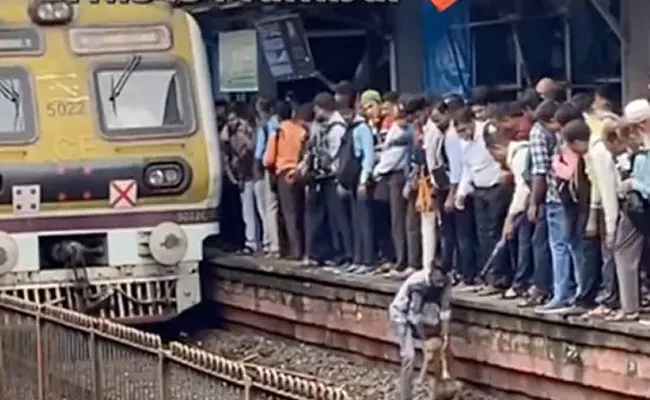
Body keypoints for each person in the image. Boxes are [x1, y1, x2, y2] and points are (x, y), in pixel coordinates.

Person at [455, 106, 512, 295]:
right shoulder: (464, 143)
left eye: (464, 129)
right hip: (478, 189)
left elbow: (501, 152)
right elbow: (467, 168)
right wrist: (461, 193)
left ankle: (498, 278)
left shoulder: (488, 132)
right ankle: (487, 276)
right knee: (482, 236)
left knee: (494, 233)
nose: (462, 134)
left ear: (471, 122)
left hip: (496, 186)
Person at [389, 262, 454, 400]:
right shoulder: (418, 284)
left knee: (441, 348)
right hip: (402, 314)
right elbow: (415, 316)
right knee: (409, 356)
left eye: (442, 281)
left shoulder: (447, 281)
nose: (440, 285)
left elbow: (445, 308)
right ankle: (405, 396)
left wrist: (445, 333)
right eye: (437, 281)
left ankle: (440, 391)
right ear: (430, 274)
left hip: (427, 313)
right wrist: (424, 341)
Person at [263, 100, 308, 260]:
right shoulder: (301, 130)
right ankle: (304, 248)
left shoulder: (278, 132)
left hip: (283, 173)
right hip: (300, 172)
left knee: (289, 213)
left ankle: (294, 250)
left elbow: (268, 159)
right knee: (301, 211)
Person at [220, 102, 257, 254]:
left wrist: (242, 137)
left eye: (234, 119)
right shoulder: (227, 136)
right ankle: (252, 241)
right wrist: (233, 178)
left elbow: (251, 150)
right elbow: (225, 158)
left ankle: (253, 242)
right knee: (247, 210)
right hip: (239, 176)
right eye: (229, 121)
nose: (232, 123)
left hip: (250, 175)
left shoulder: (246, 131)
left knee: (252, 210)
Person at [253, 97, 281, 258]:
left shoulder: (264, 127)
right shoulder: (282, 123)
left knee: (268, 208)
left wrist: (257, 173)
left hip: (268, 169)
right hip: (282, 168)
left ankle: (271, 244)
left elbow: (259, 153)